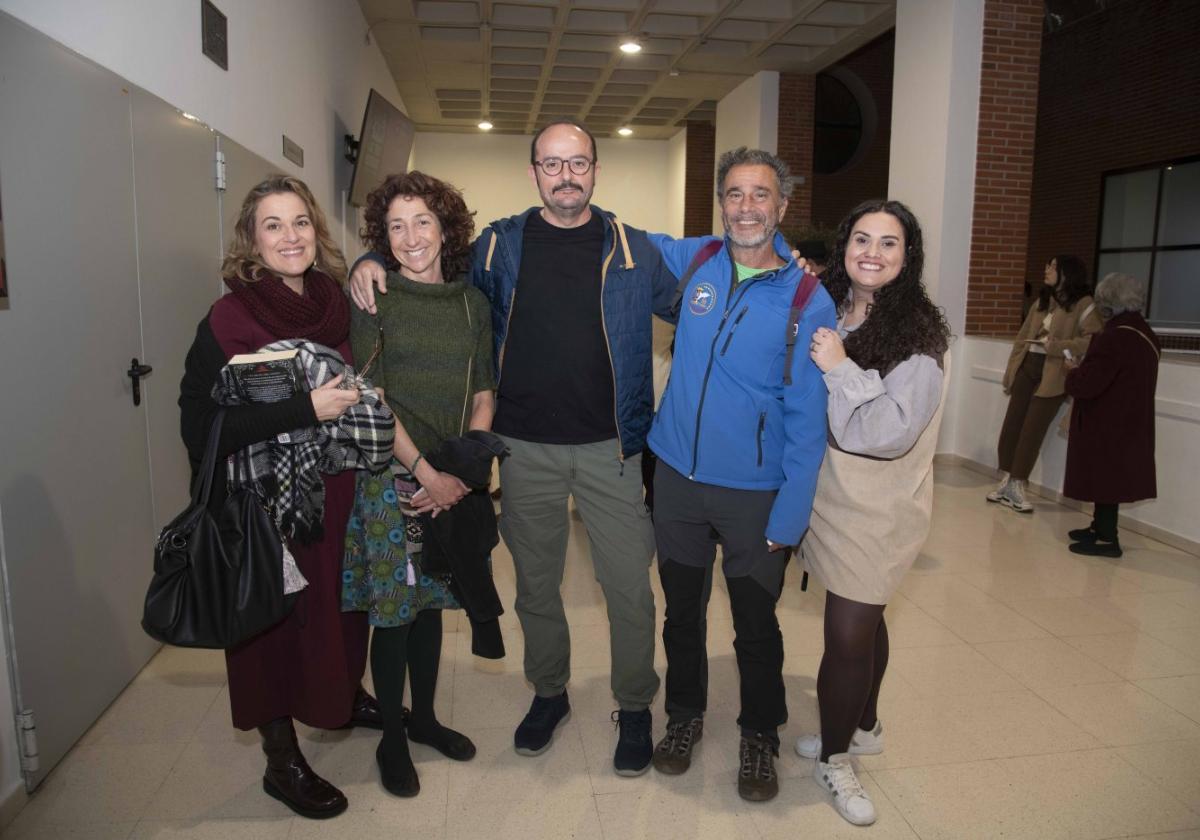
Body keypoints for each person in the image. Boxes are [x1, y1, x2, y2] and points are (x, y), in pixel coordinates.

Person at [348, 119, 678, 776]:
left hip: (611, 448)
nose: (565, 175)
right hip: (523, 448)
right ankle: (549, 693)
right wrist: (370, 259)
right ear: (534, 172)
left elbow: (701, 300)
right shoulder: (500, 247)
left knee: (629, 590)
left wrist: (784, 270)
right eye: (551, 164)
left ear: (595, 170)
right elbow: (426, 261)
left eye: (577, 163)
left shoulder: (635, 250)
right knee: (535, 586)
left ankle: (636, 706)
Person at [178, 175, 378, 820]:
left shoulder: (338, 306)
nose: (289, 236)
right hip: (266, 507)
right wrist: (303, 408)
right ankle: (280, 759)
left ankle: (341, 692)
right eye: (273, 225)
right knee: (269, 625)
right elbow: (201, 426)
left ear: (317, 233)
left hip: (337, 493)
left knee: (337, 612)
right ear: (251, 240)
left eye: (300, 222)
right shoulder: (230, 318)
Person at [643, 148, 835, 802]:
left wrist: (791, 518)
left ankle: (760, 735)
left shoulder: (808, 296)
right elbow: (605, 234)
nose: (746, 207)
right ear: (720, 203)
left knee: (756, 626)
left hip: (756, 497)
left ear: (781, 206)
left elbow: (810, 422)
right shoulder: (696, 259)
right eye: (734, 194)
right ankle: (684, 717)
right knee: (681, 616)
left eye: (761, 195)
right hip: (676, 482)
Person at [796, 199, 952, 826]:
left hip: (878, 507)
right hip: (829, 496)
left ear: (907, 257)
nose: (872, 252)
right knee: (869, 617)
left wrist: (840, 370)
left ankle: (836, 759)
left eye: (889, 243)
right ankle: (863, 723)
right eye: (862, 238)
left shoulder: (920, 337)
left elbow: (886, 430)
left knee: (847, 634)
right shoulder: (832, 307)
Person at [342, 171, 497, 796]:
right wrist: (425, 474)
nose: (410, 238)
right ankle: (392, 739)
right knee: (395, 611)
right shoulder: (373, 298)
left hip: (452, 477)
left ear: (446, 228)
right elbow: (371, 398)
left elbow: (485, 392)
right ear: (383, 236)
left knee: (433, 600)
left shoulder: (473, 304)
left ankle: (427, 718)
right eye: (396, 226)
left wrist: (458, 474)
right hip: (391, 477)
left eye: (423, 222)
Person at [990, 255, 1101, 512]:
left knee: (1032, 430)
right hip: (1028, 367)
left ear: (1067, 272)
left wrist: (1060, 347)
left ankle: (1018, 484)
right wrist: (1012, 370)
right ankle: (1007, 478)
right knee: (1012, 425)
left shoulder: (1083, 304)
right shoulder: (1041, 301)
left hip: (1055, 374)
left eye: (1053, 266)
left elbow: (1093, 339)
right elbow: (1022, 337)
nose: (1047, 270)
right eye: (1047, 265)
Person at [1062, 272, 1161, 558]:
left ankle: (1107, 538)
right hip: (1131, 421)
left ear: (1107, 301)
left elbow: (1089, 384)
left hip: (1107, 422)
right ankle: (1098, 527)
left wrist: (1073, 372)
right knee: (1110, 478)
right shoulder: (1146, 335)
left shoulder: (1115, 338)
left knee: (1106, 479)